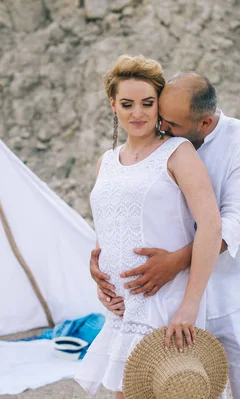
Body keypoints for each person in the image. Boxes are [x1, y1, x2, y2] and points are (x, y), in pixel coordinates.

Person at [90, 71, 240, 399]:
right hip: (174, 300)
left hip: (237, 298)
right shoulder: (156, 148)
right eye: (160, 117)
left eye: (171, 124)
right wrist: (102, 265)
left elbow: (234, 224)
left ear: (203, 123)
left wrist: (176, 261)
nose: (161, 127)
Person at [74, 55, 222, 398]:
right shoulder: (106, 162)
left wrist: (190, 304)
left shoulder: (178, 152)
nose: (137, 113)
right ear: (113, 105)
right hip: (122, 307)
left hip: (166, 304)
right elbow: (108, 227)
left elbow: (212, 227)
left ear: (160, 105)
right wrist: (100, 275)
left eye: (147, 103)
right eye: (127, 104)